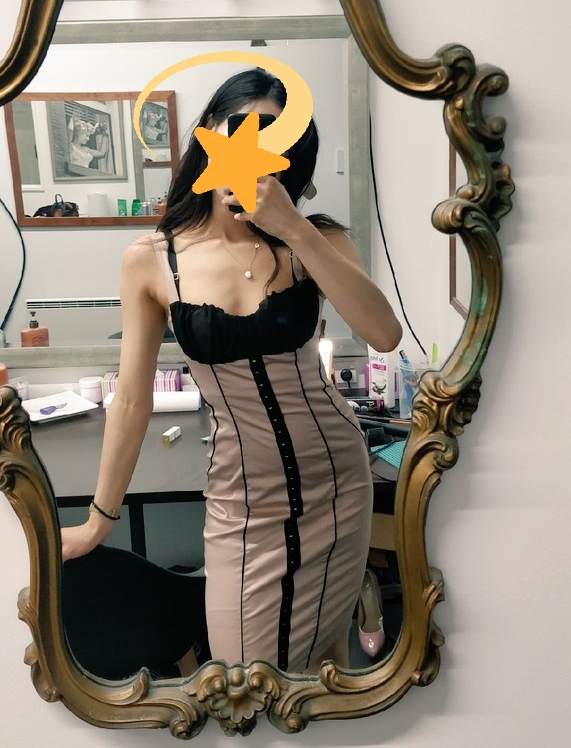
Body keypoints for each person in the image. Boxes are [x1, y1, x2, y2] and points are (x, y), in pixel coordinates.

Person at [61, 69, 402, 673]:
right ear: (208, 137)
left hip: (338, 482)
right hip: (242, 497)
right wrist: (97, 520)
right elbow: (132, 401)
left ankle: (356, 595)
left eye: (272, 140)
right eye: (240, 130)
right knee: (245, 671)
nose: (252, 150)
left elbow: (384, 333)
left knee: (321, 671)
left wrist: (293, 226)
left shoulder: (314, 241)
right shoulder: (153, 259)